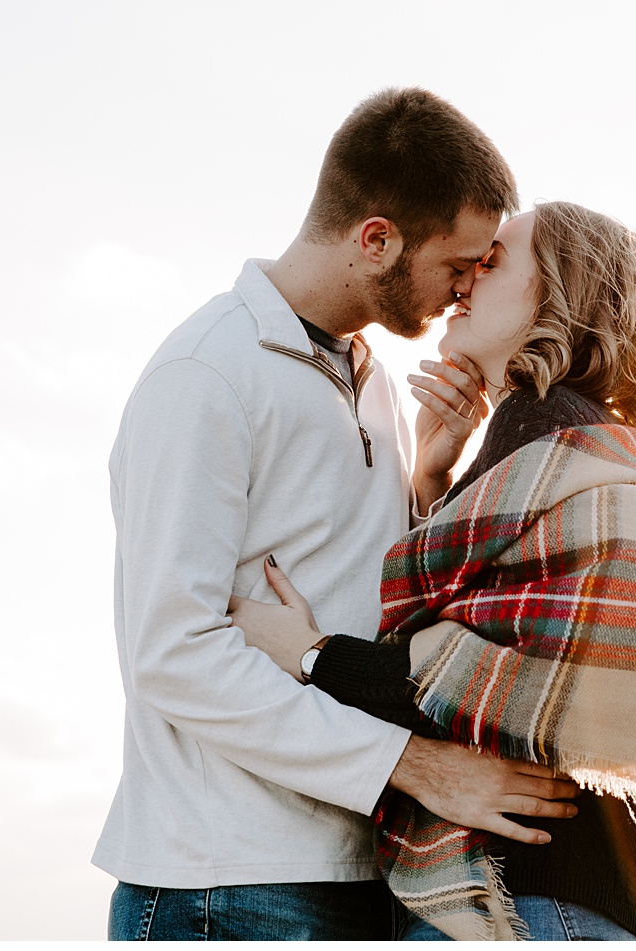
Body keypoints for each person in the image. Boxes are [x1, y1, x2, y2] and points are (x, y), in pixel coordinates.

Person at [231, 201, 636, 941]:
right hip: (559, 898)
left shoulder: (550, 440)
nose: (467, 278)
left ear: (555, 292)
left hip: (534, 901)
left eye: (494, 261)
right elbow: (496, 660)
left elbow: (454, 687)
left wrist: (309, 655)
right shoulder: (556, 444)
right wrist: (435, 482)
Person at [94, 88, 581, 942]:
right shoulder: (206, 376)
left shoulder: (375, 383)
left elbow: (378, 595)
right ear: (377, 239)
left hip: (361, 869)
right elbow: (172, 651)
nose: (468, 287)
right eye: (459, 262)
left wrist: (430, 477)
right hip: (229, 884)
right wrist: (421, 767)